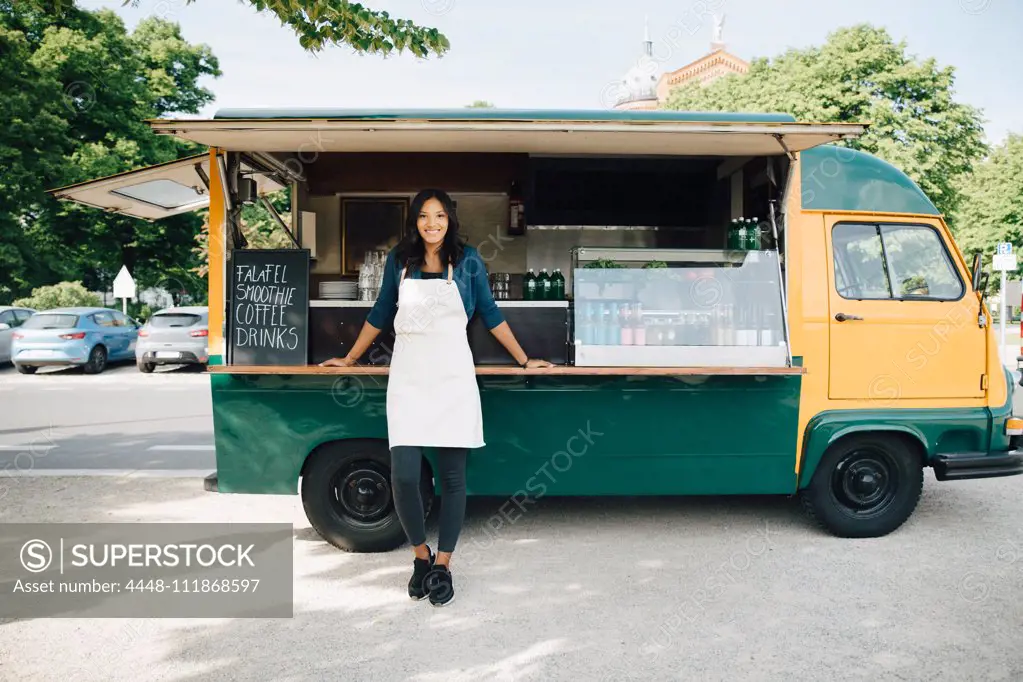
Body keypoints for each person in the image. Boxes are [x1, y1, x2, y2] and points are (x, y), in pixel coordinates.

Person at [320, 188, 553, 606]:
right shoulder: (400, 261)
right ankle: (420, 556)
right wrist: (350, 358)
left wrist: (524, 360)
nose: (432, 223)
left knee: (452, 478)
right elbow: (380, 313)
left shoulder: (468, 262)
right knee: (405, 475)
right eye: (425, 216)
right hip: (409, 377)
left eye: (440, 216)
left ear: (450, 221)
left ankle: (443, 565)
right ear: (415, 221)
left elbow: (490, 314)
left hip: (452, 377)